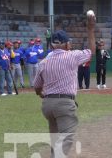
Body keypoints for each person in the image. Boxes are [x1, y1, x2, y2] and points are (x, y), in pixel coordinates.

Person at [33, 13, 95, 157]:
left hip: (47, 105)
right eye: (69, 42)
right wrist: (90, 30)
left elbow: (36, 86)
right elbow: (91, 52)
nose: (71, 44)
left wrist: (41, 94)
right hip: (64, 103)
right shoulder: (71, 55)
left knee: (55, 139)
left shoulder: (44, 62)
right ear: (66, 44)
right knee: (66, 137)